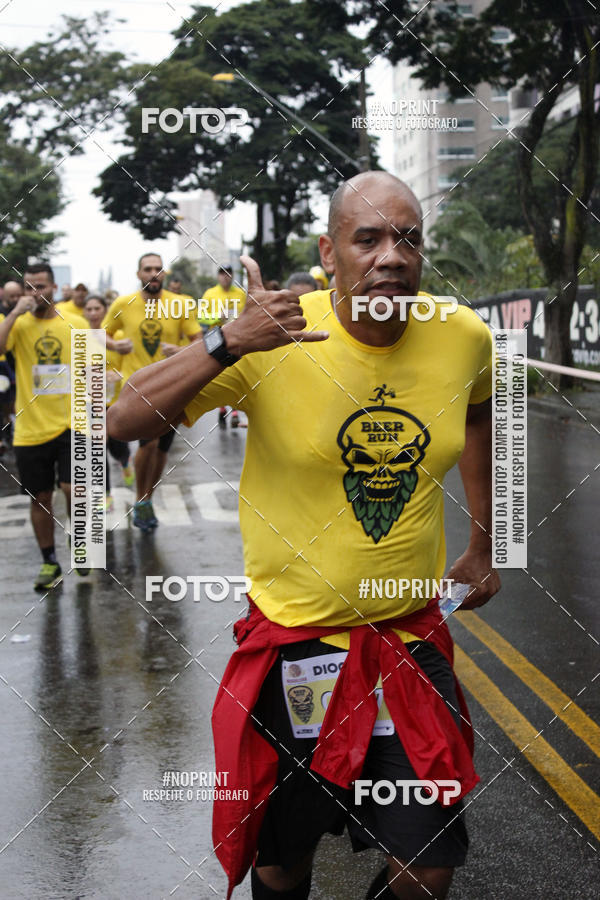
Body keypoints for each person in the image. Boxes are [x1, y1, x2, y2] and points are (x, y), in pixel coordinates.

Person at [108, 171, 500, 900]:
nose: (391, 255)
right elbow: (120, 419)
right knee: (283, 868)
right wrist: (227, 341)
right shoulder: (274, 337)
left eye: (407, 238)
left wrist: (484, 538)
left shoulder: (462, 335)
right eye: (369, 238)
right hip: (296, 656)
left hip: (406, 648)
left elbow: (477, 412)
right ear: (329, 251)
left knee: (429, 865)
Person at [0, 263, 90, 589]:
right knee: (40, 498)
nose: (36, 293)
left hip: (72, 422)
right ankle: (50, 561)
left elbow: (93, 370)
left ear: (54, 287)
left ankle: (79, 541)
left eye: (41, 286)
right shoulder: (18, 325)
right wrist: (13, 314)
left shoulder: (76, 323)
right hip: (31, 428)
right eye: (30, 287)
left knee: (74, 489)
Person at [102, 252, 201, 531]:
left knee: (161, 450)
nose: (154, 273)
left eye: (158, 269)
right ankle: (141, 499)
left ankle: (146, 498)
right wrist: (115, 346)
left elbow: (199, 341)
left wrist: (180, 351)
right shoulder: (124, 303)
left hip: (172, 387)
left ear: (164, 275)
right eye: (148, 269)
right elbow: (102, 333)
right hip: (137, 389)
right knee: (150, 444)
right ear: (138, 274)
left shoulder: (181, 304)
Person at [83, 294, 134, 512]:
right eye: (89, 309)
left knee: (118, 447)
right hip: (91, 403)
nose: (93, 313)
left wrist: (116, 375)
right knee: (97, 448)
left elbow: (129, 364)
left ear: (105, 311)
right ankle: (105, 494)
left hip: (115, 402)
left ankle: (124, 462)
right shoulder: (79, 335)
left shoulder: (117, 335)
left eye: (97, 308)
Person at [199, 264, 246, 428]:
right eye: (222, 274)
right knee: (218, 373)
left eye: (228, 274)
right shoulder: (210, 294)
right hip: (216, 338)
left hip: (237, 338)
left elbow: (247, 314)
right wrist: (216, 317)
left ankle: (233, 411)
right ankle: (221, 408)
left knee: (236, 373)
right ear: (218, 276)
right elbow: (202, 317)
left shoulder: (240, 294)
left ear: (232, 276)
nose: (225, 277)